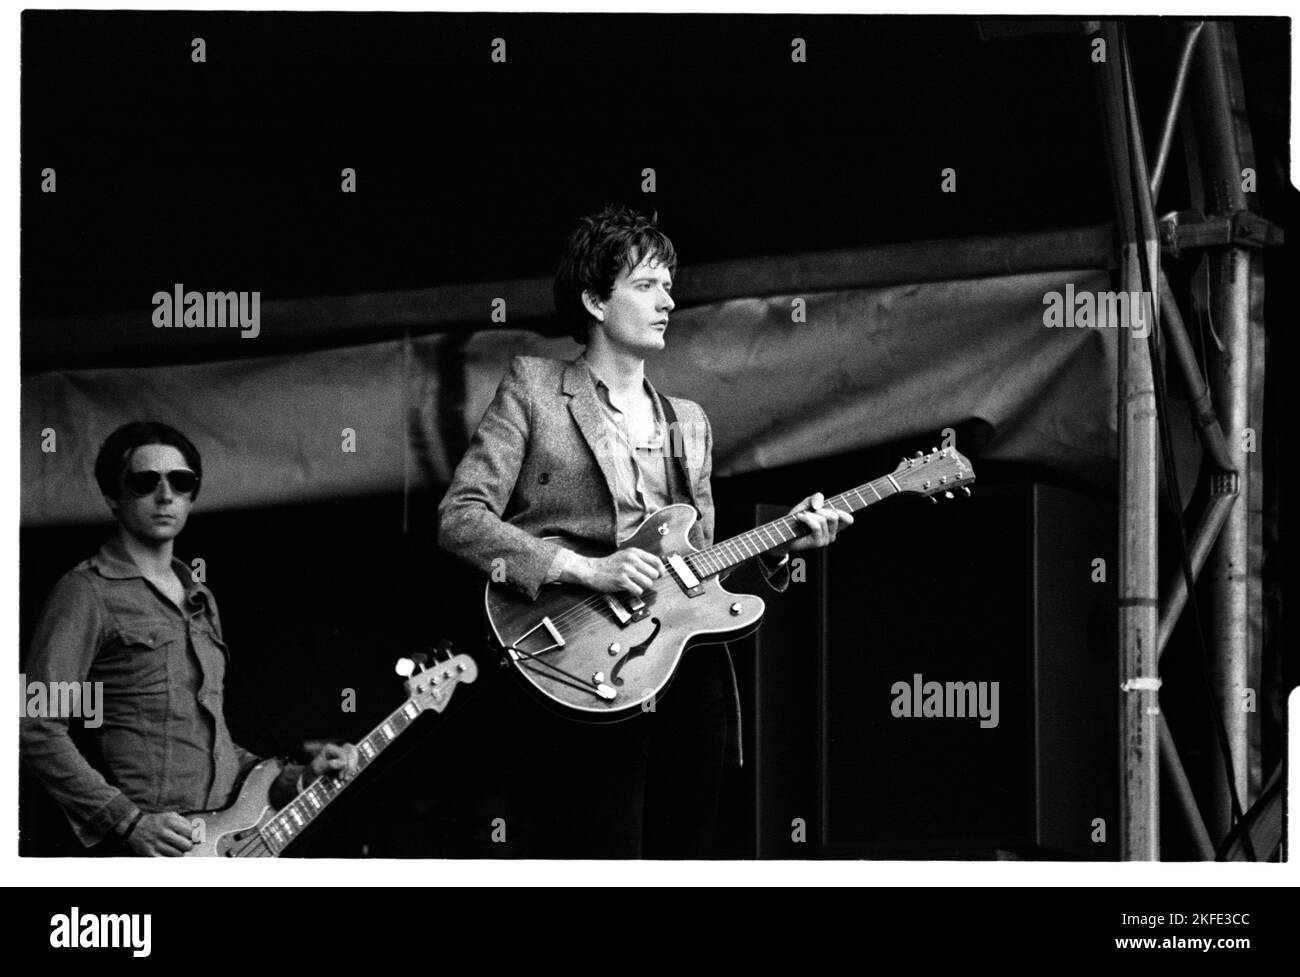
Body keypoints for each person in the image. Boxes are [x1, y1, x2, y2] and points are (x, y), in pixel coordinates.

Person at [437, 205, 853, 856]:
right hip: (578, 652)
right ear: (594, 300)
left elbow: (702, 569)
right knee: (604, 849)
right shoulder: (534, 388)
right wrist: (588, 569)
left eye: (669, 284)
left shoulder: (689, 421)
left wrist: (782, 545)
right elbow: (461, 518)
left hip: (683, 667)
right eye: (648, 284)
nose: (668, 300)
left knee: (685, 854)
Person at [20, 421, 360, 856]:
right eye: (144, 482)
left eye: (180, 482)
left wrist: (296, 778)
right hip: (150, 849)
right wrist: (127, 822)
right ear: (112, 497)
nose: (165, 495)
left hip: (218, 843)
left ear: (192, 495)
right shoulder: (86, 592)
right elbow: (34, 726)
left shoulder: (200, 597)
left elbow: (205, 739)